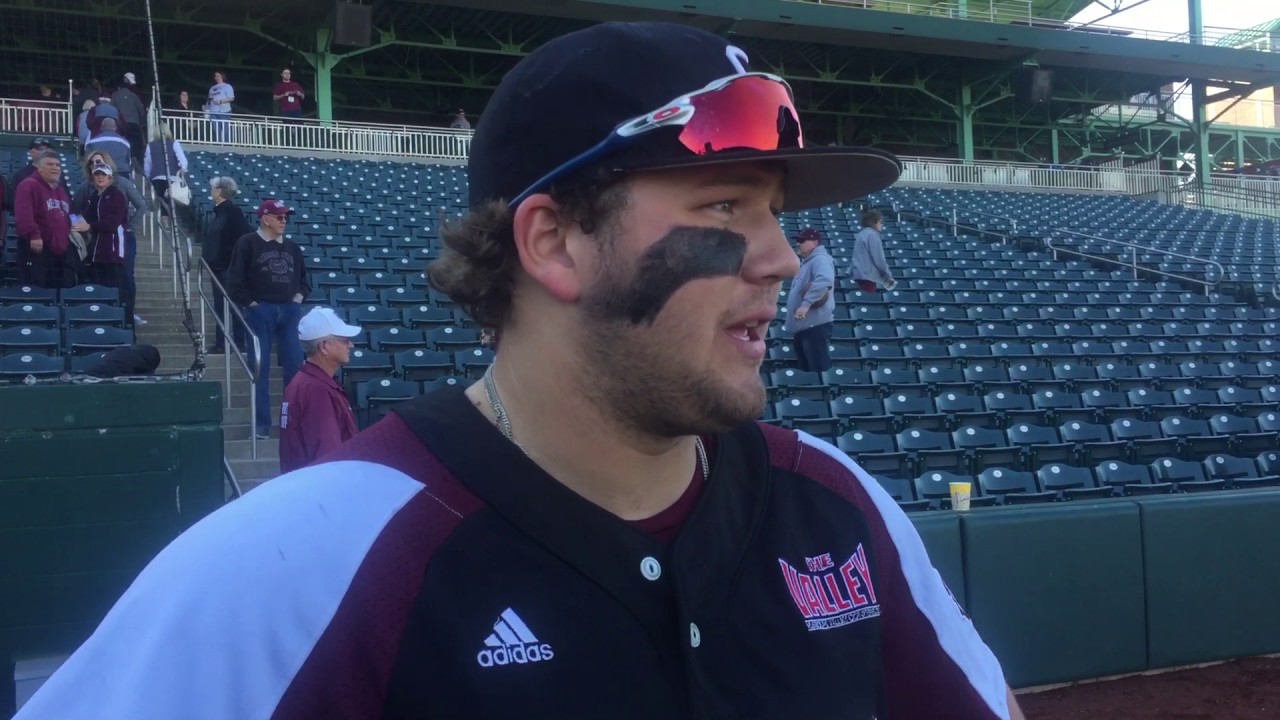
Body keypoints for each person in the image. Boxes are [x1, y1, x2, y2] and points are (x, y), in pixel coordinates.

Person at [12, 22, 1025, 720]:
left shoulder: (834, 504)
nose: (780, 256)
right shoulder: (295, 562)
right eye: (723, 209)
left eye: (775, 215)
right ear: (552, 244)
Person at [226, 199, 309, 440]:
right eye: (280, 217)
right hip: (261, 311)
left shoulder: (293, 247)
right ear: (265, 218)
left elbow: (304, 280)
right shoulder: (247, 243)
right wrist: (252, 304)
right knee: (259, 369)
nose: (284, 221)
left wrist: (299, 297)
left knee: (295, 367)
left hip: (289, 311)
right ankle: (262, 426)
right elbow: (235, 282)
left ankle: (294, 423)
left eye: (286, 217)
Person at [279, 307, 362, 474]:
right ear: (324, 346)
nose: (350, 345)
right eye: (344, 340)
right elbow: (329, 457)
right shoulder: (317, 390)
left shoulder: (304, 383)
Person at [13, 150, 81, 289]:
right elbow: (23, 215)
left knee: (57, 292)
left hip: (59, 253)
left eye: (57, 165)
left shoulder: (61, 190)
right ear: (39, 168)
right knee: (37, 291)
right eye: (50, 164)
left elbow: (71, 212)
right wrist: (34, 235)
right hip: (37, 248)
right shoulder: (28, 184)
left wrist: (79, 222)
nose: (55, 168)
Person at [203, 177, 253, 353]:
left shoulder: (232, 212)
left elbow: (241, 238)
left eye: (213, 189)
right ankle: (221, 343)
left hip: (226, 268)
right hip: (217, 268)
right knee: (220, 305)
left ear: (219, 191)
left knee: (233, 305)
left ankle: (238, 342)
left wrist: (229, 261)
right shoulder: (219, 213)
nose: (211, 191)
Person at [82, 163, 133, 321]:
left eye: (103, 175)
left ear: (110, 178)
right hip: (97, 253)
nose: (100, 177)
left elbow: (113, 223)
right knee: (101, 290)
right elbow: (87, 216)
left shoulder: (116, 195)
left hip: (113, 252)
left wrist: (90, 225)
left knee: (118, 290)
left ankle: (126, 322)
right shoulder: (94, 197)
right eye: (97, 174)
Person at [783, 227, 836, 373]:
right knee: (808, 375)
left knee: (818, 373)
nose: (798, 244)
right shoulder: (807, 262)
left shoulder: (820, 259)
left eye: (802, 240)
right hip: (805, 327)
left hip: (814, 327)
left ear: (815, 242)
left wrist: (805, 305)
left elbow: (825, 280)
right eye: (797, 240)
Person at [848, 208, 895, 293]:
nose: (882, 225)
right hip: (868, 278)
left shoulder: (861, 234)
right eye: (880, 222)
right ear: (874, 221)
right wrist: (887, 275)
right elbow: (878, 259)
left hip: (858, 275)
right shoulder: (873, 235)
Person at [207, 70, 235, 143]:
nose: (217, 77)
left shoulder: (227, 86)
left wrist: (221, 101)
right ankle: (218, 143)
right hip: (213, 111)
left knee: (225, 128)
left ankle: (227, 144)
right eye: (215, 76)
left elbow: (231, 98)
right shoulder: (212, 88)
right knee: (215, 128)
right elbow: (209, 99)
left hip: (224, 110)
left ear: (222, 76)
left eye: (218, 76)